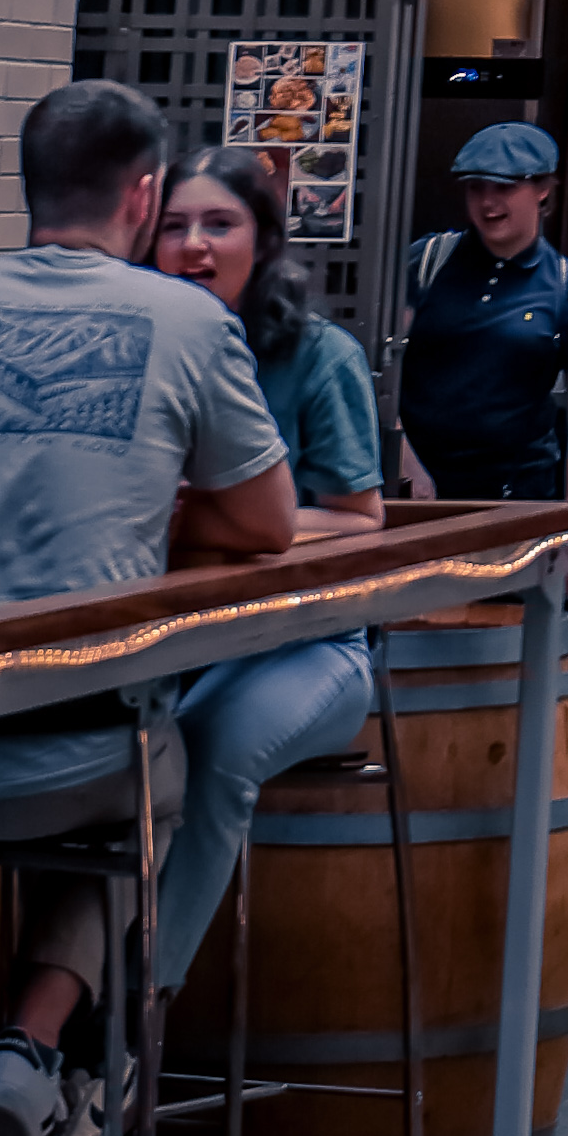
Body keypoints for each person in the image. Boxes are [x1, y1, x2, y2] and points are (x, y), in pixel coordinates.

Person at [0, 81, 298, 1136]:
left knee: (20, 779)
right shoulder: (189, 319)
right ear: (146, 195)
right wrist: (145, 487)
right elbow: (266, 523)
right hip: (76, 746)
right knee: (154, 770)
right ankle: (28, 1048)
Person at [140, 147, 393, 1007]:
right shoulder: (145, 343)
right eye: (173, 226)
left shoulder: (318, 353)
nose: (193, 246)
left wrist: (222, 521)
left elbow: (360, 516)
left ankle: (131, 1020)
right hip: (173, 639)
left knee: (211, 752)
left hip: (307, 646)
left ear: (266, 241)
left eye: (220, 224)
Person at [398, 116, 568, 532]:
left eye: (505, 187)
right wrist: (404, 459)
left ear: (543, 189)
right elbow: (379, 372)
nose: (488, 202)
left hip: (516, 494)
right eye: (476, 187)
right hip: (416, 488)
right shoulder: (427, 261)